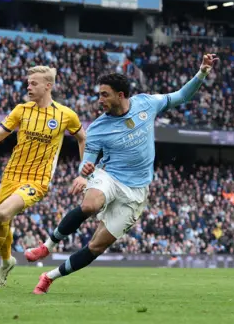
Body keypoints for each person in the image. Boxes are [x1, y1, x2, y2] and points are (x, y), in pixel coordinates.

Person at [27, 54, 218, 294]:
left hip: (136, 192)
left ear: (121, 95)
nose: (100, 100)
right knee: (89, 205)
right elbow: (86, 162)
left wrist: (202, 72)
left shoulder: (146, 104)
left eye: (104, 95)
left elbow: (180, 96)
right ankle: (47, 245)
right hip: (111, 177)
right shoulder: (97, 127)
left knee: (96, 246)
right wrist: (82, 173)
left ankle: (49, 276)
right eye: (99, 95)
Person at [0, 66, 86, 287]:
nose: (28, 87)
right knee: (3, 219)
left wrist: (85, 169)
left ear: (48, 86)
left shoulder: (65, 115)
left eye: (34, 83)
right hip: (11, 175)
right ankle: (7, 262)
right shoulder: (21, 110)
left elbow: (82, 138)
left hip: (37, 180)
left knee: (1, 213)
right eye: (28, 83)